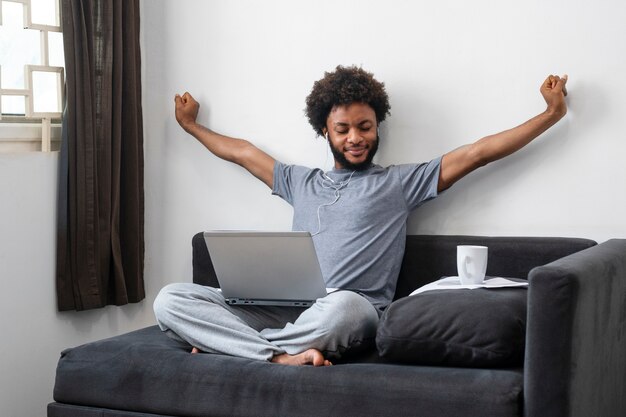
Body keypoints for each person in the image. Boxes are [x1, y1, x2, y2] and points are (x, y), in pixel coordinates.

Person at [154, 65, 568, 366]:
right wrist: (191, 126)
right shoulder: (301, 182)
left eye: (365, 127)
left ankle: (229, 345)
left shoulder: (398, 184)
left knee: (344, 309)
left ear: (377, 126)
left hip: (350, 311)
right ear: (325, 132)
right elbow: (242, 153)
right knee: (171, 299)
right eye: (343, 129)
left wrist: (550, 115)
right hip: (283, 310)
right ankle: (278, 355)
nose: (356, 138)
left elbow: (478, 152)